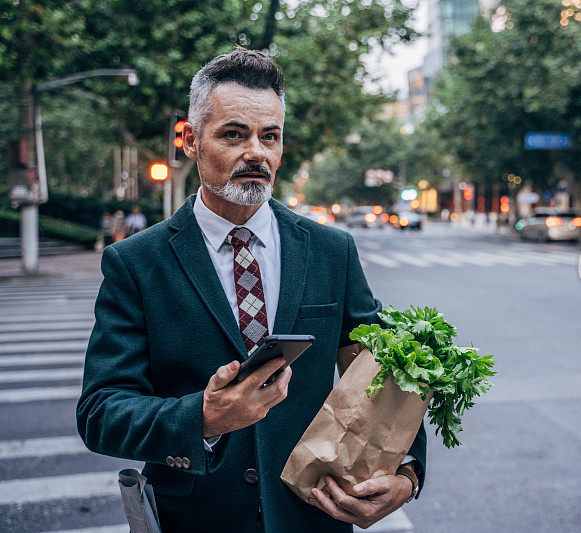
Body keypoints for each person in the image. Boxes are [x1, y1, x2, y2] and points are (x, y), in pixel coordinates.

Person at [77, 48, 426, 533]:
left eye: (270, 137)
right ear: (191, 141)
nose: (256, 153)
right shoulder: (136, 263)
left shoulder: (332, 251)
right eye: (234, 135)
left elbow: (384, 368)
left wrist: (406, 471)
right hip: (196, 519)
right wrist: (202, 416)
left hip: (313, 516)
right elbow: (100, 411)